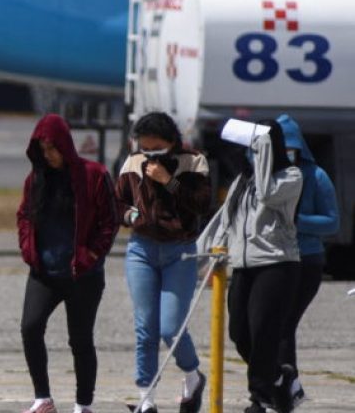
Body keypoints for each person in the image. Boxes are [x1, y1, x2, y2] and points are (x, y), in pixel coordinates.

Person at [15, 114, 118, 413]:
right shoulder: (35, 179)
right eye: (42, 150)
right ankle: (42, 398)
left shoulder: (94, 174)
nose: (48, 155)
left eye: (52, 148)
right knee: (30, 327)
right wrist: (28, 249)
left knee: (80, 340)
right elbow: (23, 215)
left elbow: (109, 222)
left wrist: (93, 255)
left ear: (65, 145)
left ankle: (83, 404)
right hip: (44, 272)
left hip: (83, 275)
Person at [199, 121, 304, 413]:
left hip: (277, 264)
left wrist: (264, 151)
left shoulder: (291, 177)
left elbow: (267, 194)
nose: (252, 152)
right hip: (244, 265)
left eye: (257, 145)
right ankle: (279, 376)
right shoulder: (242, 181)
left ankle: (261, 399)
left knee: (263, 331)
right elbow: (225, 219)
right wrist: (207, 253)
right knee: (239, 332)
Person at [115, 112, 211, 413]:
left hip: (180, 250)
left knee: (170, 326)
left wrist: (168, 181)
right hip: (141, 250)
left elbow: (201, 204)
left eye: (157, 149)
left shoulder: (193, 161)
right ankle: (146, 398)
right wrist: (131, 216)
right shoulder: (132, 163)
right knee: (145, 327)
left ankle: (193, 375)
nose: (150, 155)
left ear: (172, 142)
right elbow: (116, 202)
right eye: (145, 148)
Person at [275, 114, 339, 406]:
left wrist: (298, 222)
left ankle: (289, 386)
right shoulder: (269, 176)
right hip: (274, 259)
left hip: (307, 260)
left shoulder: (317, 176)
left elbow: (331, 222)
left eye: (292, 149)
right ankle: (284, 383)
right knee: (268, 326)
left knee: (285, 323)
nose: (288, 155)